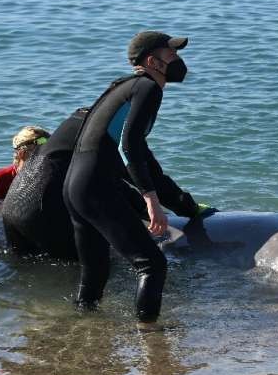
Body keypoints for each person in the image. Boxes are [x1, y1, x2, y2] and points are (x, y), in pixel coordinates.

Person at [63, 31, 197, 329]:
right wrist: (151, 202)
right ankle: (152, 342)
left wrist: (182, 203)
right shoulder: (148, 88)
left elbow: (140, 155)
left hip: (75, 186)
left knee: (95, 272)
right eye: (171, 54)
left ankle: (82, 336)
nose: (178, 59)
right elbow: (130, 146)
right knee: (152, 265)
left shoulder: (123, 87)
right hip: (96, 186)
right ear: (153, 61)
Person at [2, 106, 211, 259]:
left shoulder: (76, 123)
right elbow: (138, 177)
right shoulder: (111, 133)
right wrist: (186, 208)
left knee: (30, 273)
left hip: (12, 210)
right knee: (102, 265)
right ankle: (83, 316)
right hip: (41, 213)